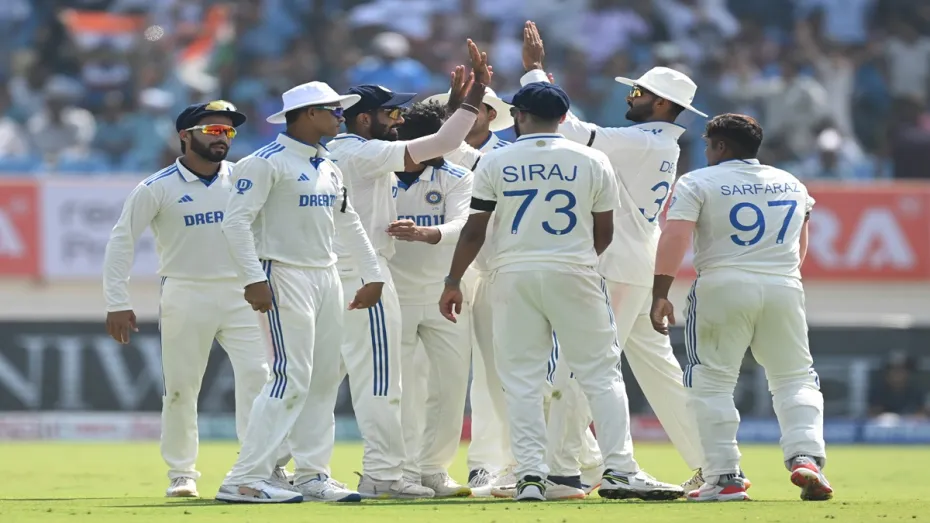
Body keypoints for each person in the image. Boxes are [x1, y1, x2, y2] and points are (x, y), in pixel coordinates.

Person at [520, 20, 705, 495]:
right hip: (635, 265)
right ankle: (716, 463)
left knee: (582, 369)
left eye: (639, 92)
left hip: (617, 268)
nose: (630, 96)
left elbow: (570, 130)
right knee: (660, 373)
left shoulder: (644, 142)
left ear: (661, 104)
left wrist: (536, 75)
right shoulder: (655, 142)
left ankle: (565, 471)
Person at [440, 81, 639, 502]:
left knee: (521, 381)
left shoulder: (496, 161)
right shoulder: (593, 159)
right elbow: (605, 231)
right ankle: (619, 471)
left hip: (513, 274)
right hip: (575, 269)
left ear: (518, 116)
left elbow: (475, 231)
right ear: (564, 118)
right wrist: (574, 260)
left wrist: (453, 281)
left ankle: (530, 475)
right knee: (602, 375)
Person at [322, 39, 491, 499]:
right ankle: (386, 473)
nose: (396, 121)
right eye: (390, 114)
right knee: (385, 383)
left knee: (434, 388)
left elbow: (453, 175)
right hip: (375, 279)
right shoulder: (370, 158)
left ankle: (422, 470)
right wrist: (475, 95)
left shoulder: (337, 158)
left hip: (404, 284)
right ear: (364, 119)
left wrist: (429, 233)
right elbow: (444, 141)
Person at [215, 81, 384, 503]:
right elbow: (235, 223)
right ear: (308, 113)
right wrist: (253, 278)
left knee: (324, 380)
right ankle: (244, 478)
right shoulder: (264, 163)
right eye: (334, 111)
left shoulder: (328, 164)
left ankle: (312, 475)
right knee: (290, 377)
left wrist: (373, 274)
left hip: (325, 274)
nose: (341, 117)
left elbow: (348, 221)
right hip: (282, 272)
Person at [650, 113, 832, 502]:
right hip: (783, 284)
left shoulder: (697, 181)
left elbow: (675, 237)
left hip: (723, 283)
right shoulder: (792, 183)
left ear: (721, 146)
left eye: (708, 145)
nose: (706, 152)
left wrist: (660, 292)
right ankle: (806, 457)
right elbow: (800, 247)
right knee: (795, 377)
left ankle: (724, 476)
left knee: (711, 382)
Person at [102, 101, 270, 499]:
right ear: (185, 135)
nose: (222, 138)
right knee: (180, 388)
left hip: (243, 293)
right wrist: (117, 301)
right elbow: (122, 241)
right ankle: (181, 474)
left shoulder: (245, 179)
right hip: (186, 291)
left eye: (228, 132)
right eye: (213, 130)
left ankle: (257, 468)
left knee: (260, 378)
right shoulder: (157, 187)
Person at [425, 71, 517, 491]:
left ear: (491, 114)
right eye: (455, 110)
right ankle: (433, 464)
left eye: (472, 108)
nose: (461, 115)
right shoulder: (434, 152)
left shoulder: (509, 155)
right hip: (443, 270)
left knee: (496, 370)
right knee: (441, 371)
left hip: (495, 267)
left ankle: (494, 462)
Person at [388, 101, 474, 497]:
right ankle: (401, 471)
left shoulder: (456, 176)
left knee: (450, 386)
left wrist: (427, 233)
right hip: (393, 293)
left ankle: (433, 470)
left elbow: (463, 223)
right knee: (402, 388)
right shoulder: (379, 173)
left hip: (444, 292)